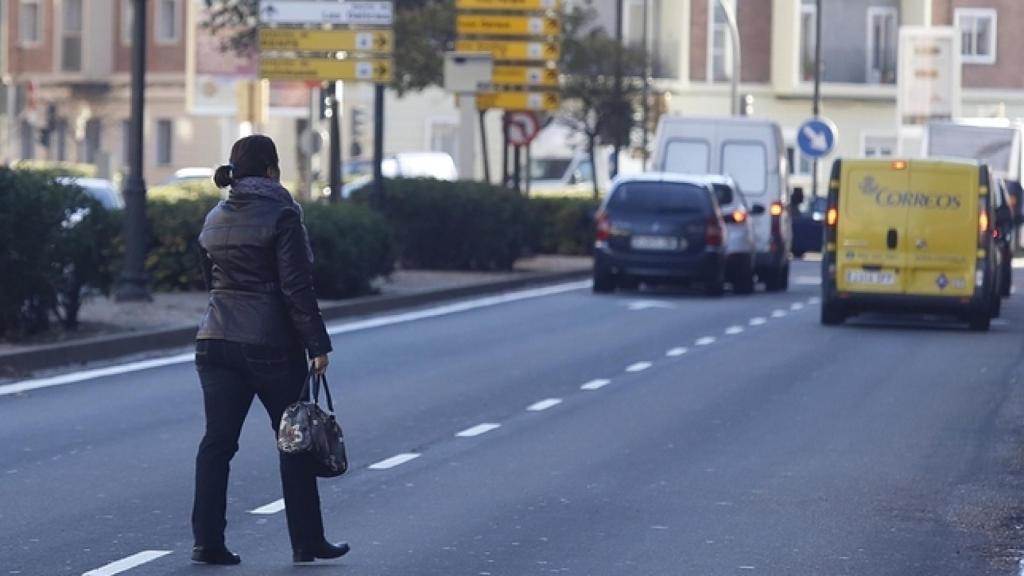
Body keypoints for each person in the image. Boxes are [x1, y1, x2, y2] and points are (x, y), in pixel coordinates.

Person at [191, 134, 348, 565]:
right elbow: (296, 287)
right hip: (270, 345)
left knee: (217, 444)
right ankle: (307, 541)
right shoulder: (283, 215)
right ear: (271, 170)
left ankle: (207, 542)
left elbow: (211, 282)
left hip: (214, 341)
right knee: (294, 440)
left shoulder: (214, 217)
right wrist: (317, 345)